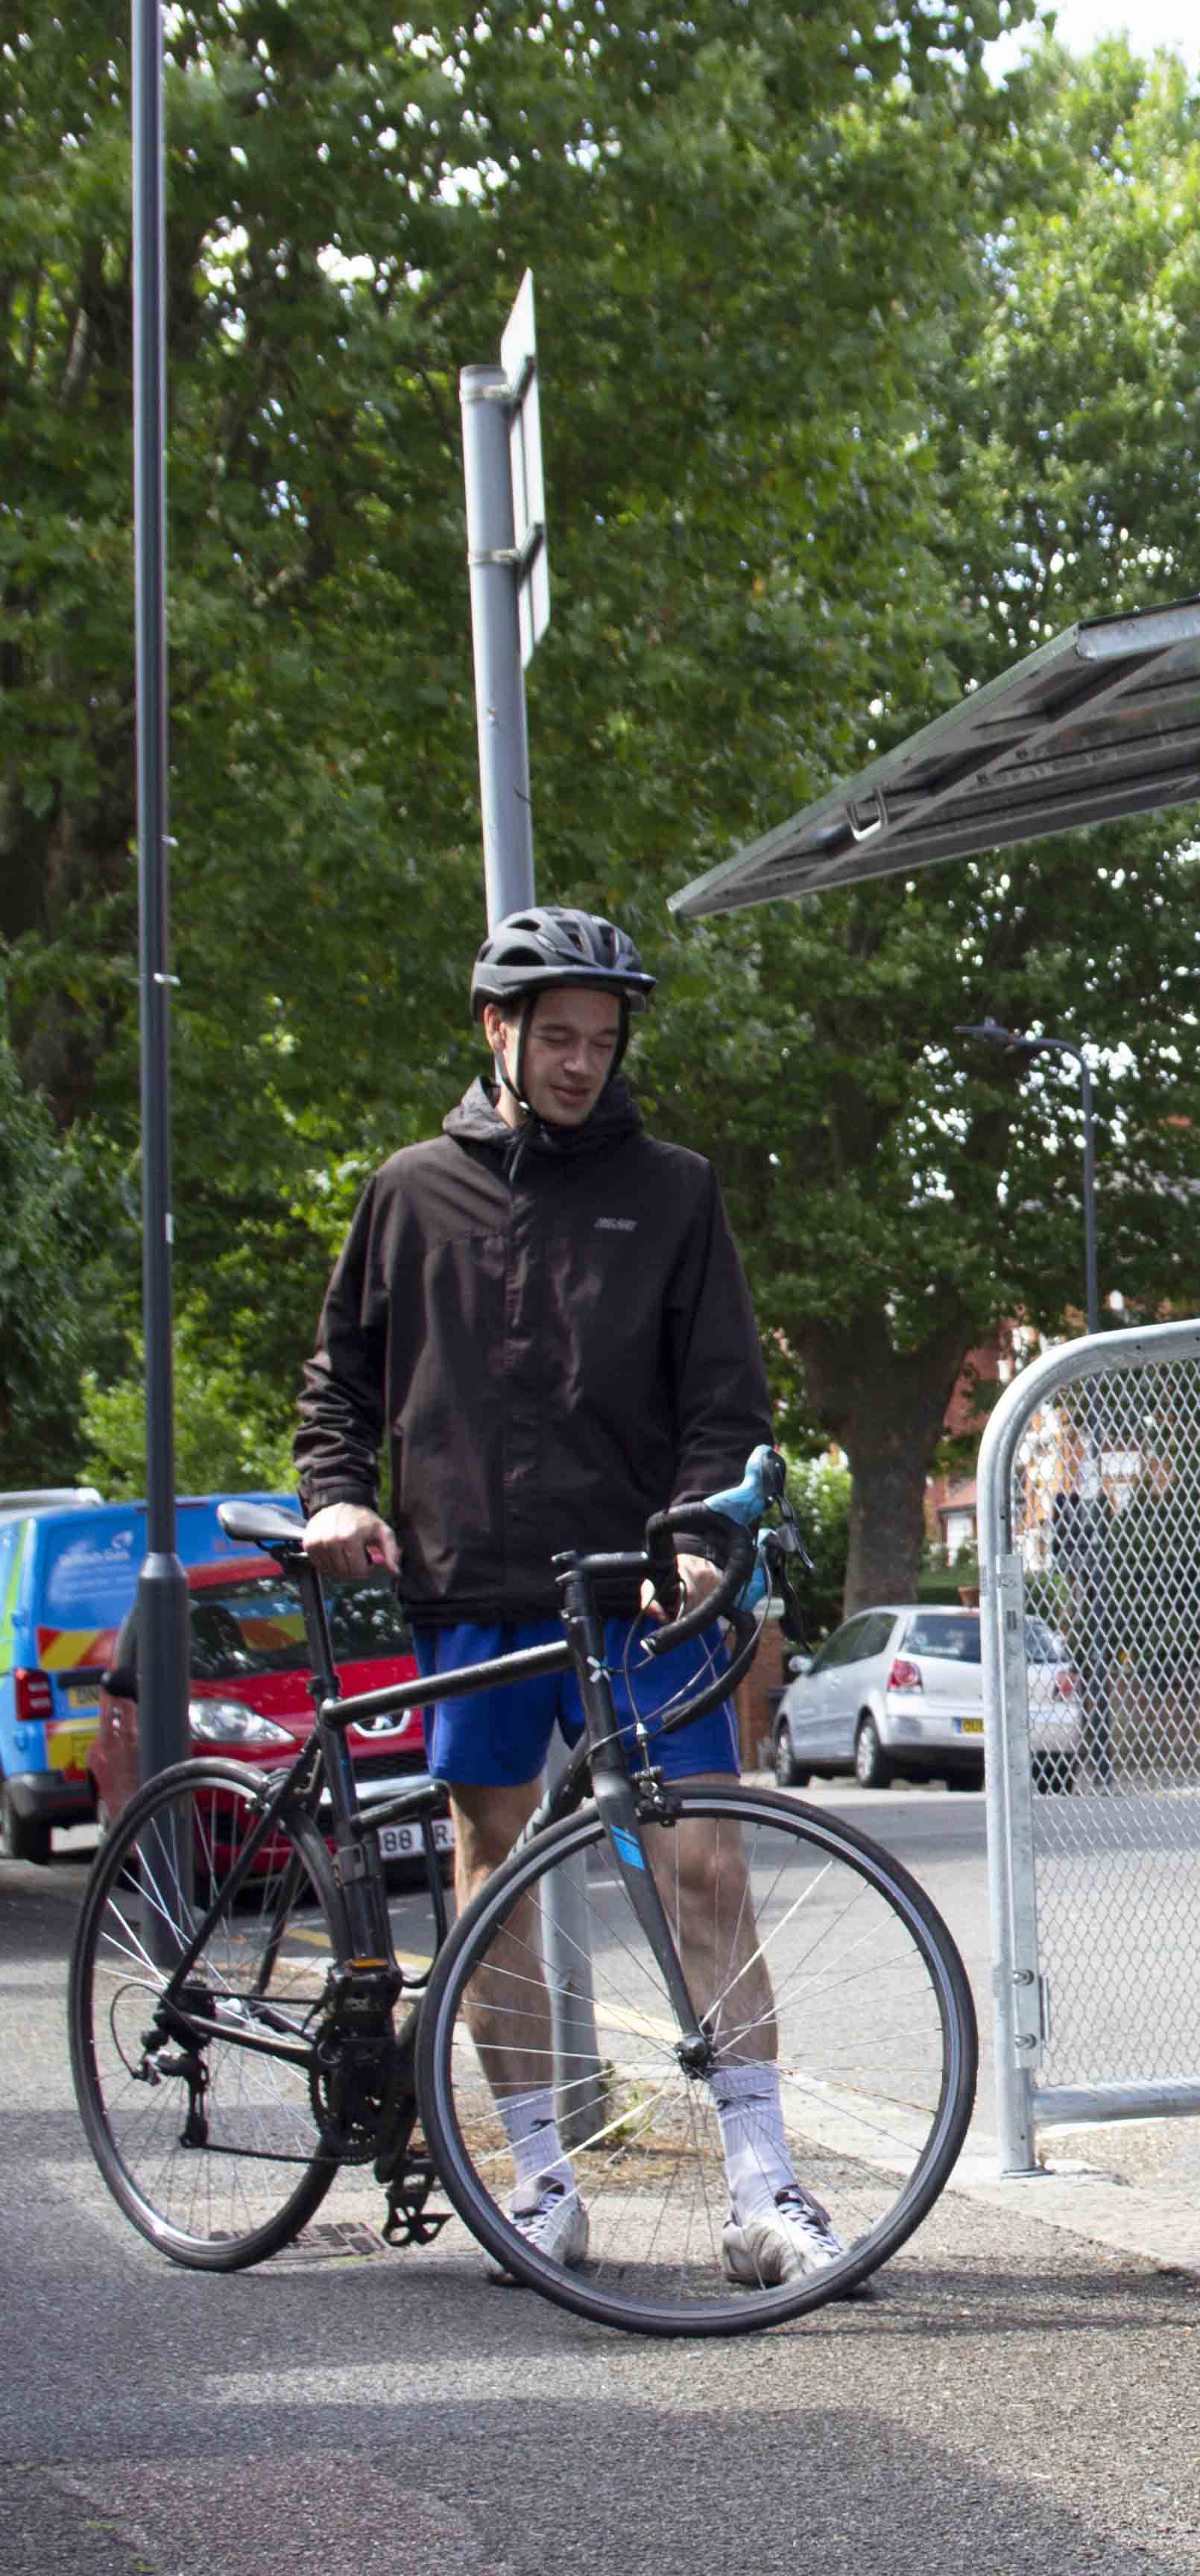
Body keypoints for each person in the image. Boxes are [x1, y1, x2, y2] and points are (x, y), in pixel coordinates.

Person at [293, 904, 841, 2288]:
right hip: (474, 1579)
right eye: (560, 1039)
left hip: (640, 1591)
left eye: (604, 1042)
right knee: (494, 1879)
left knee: (704, 1865)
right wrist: (336, 1495)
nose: (583, 1065)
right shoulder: (409, 1189)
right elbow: (340, 1378)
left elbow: (726, 1397)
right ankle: (537, 2182)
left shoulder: (672, 1191)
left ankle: (765, 2189)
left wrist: (707, 1532)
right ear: (500, 1030)